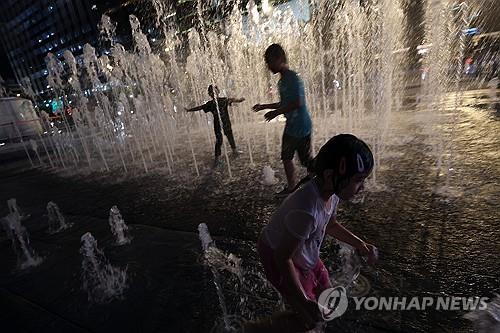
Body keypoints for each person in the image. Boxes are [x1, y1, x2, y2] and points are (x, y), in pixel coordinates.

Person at [245, 134, 379, 332]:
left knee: (326, 301)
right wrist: (303, 300)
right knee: (309, 319)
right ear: (330, 174)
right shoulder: (306, 209)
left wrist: (360, 244)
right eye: (359, 180)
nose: (362, 188)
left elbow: (331, 225)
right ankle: (257, 329)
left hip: (300, 251)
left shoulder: (331, 193)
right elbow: (283, 258)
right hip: (277, 254)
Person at [253, 43, 313, 196]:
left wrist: (276, 113)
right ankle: (292, 187)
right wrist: (264, 106)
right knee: (286, 157)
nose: (268, 66)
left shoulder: (292, 78)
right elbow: (284, 103)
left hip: (301, 126)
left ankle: (322, 177)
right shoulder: (281, 81)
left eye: (270, 61)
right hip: (292, 126)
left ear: (279, 58)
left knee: (306, 160)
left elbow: (298, 103)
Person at [186, 85, 245, 166]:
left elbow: (232, 100)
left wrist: (239, 100)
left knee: (230, 136)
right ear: (210, 94)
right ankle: (217, 158)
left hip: (226, 122)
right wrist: (189, 110)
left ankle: (234, 150)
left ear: (218, 92)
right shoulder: (210, 104)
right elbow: (200, 107)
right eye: (211, 92)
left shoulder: (223, 100)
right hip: (217, 124)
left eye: (215, 91)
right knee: (219, 140)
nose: (213, 93)